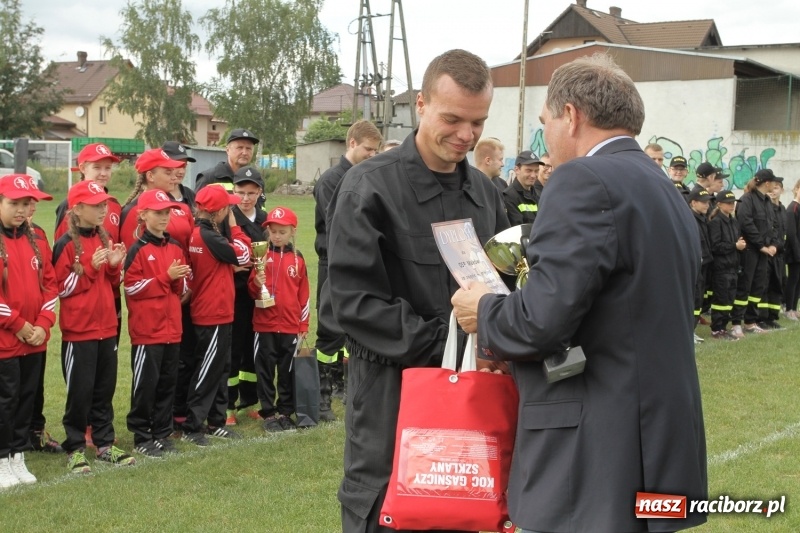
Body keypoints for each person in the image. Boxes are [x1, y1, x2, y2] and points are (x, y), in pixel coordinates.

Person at [451, 53, 707, 533]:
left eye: (545, 122)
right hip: (658, 438)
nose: (545, 141)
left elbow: (541, 321)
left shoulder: (582, 179)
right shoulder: (663, 186)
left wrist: (483, 311)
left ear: (570, 115)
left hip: (597, 448)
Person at [325, 48, 509, 533]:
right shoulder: (369, 188)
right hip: (393, 396)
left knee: (470, 509)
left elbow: (504, 282)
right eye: (453, 119)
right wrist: (446, 347)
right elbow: (354, 304)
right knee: (392, 511)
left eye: (478, 122)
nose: (466, 135)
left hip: (477, 390)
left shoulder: (487, 194)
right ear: (421, 105)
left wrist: (498, 337)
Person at [52, 180, 134, 473]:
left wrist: (112, 266)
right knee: (80, 392)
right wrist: (89, 270)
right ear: (77, 209)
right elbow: (60, 288)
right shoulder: (64, 245)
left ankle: (105, 444)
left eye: (104, 204)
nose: (103, 209)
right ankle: (74, 447)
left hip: (106, 328)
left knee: (103, 390)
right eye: (96, 205)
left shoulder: (104, 238)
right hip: (79, 332)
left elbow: (111, 283)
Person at [313, 119, 382, 421]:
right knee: (329, 331)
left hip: (359, 263)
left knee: (351, 328)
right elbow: (339, 228)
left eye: (376, 150)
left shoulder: (364, 177)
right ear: (352, 143)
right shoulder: (331, 180)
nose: (372, 154)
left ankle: (342, 385)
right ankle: (322, 395)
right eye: (368, 148)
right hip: (334, 263)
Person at [123, 189, 191, 458]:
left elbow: (178, 289)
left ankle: (162, 432)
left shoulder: (175, 247)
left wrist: (177, 279)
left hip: (172, 329)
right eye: (158, 213)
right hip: (147, 331)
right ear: (143, 215)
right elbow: (132, 288)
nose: (164, 218)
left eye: (167, 213)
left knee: (166, 384)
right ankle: (142, 435)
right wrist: (165, 277)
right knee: (146, 385)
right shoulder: (137, 250)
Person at [181, 185, 250, 446]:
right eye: (228, 208)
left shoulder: (203, 232)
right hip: (211, 311)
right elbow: (243, 254)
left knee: (220, 368)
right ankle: (192, 426)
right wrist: (237, 227)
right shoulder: (208, 236)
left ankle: (215, 421)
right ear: (219, 211)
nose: (231, 211)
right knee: (208, 370)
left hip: (217, 310)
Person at [0, 174, 56, 488]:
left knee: (25, 398)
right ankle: (2, 458)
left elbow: (51, 286)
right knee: (5, 401)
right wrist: (19, 325)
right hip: (6, 339)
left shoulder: (37, 238)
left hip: (34, 340)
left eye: (26, 203)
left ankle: (18, 456)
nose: (21, 210)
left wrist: (43, 325)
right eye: (13, 203)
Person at [250, 207, 309, 432]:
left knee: (287, 371)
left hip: (290, 326)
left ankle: (285, 411)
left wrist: (302, 325)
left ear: (292, 232)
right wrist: (256, 282)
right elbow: (251, 290)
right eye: (273, 231)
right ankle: (269, 413)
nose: (276, 236)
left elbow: (304, 294)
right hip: (265, 325)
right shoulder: (262, 255)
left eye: (282, 232)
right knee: (265, 370)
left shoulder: (298, 260)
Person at [228, 166, 267, 423]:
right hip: (234, 294)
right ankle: (227, 405)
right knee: (233, 349)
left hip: (260, 294)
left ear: (259, 193)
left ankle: (250, 400)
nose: (245, 198)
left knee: (255, 349)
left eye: (251, 193)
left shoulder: (265, 219)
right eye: (240, 192)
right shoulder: (227, 218)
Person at [731, 169, 780, 336]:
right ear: (767, 183)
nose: (775, 185)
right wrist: (761, 245)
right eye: (774, 182)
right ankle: (736, 322)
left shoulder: (767, 201)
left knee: (758, 286)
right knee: (744, 286)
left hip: (764, 251)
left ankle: (750, 321)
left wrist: (773, 244)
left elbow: (773, 225)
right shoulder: (747, 200)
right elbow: (746, 225)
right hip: (750, 251)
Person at [120, 148, 195, 251]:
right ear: (150, 176)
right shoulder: (133, 211)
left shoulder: (182, 208)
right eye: (168, 173)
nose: (174, 178)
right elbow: (132, 257)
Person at [54, 143, 122, 242]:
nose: (103, 173)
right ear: (83, 168)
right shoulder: (70, 204)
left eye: (108, 168)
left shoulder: (114, 204)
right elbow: (61, 248)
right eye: (97, 167)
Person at [195, 128, 265, 210]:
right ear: (227, 150)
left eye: (248, 148)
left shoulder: (256, 180)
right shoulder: (209, 178)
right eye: (240, 148)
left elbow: (261, 211)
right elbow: (197, 213)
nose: (244, 152)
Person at [708, 190, 746, 340]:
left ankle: (723, 327)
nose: (732, 205)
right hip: (721, 268)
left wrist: (740, 246)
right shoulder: (716, 222)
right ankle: (717, 329)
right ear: (719, 204)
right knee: (721, 300)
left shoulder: (733, 221)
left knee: (729, 299)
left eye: (733, 203)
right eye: (729, 203)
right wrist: (735, 246)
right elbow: (715, 246)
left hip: (733, 267)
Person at [758, 177, 786, 330]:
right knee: (764, 285)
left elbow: (782, 232)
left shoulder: (782, 209)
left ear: (781, 190)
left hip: (779, 252)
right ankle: (762, 317)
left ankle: (772, 317)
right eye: (772, 188)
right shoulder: (766, 207)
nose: (773, 192)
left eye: (777, 188)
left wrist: (778, 246)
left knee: (777, 285)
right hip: (767, 252)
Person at [688, 188, 713, 343]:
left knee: (698, 299)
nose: (707, 205)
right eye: (703, 202)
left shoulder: (703, 218)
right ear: (693, 202)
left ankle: (692, 330)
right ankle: (687, 332)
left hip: (704, 264)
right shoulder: (690, 218)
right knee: (693, 298)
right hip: (695, 265)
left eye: (708, 202)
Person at [503, 150, 544, 225]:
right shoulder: (509, 197)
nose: (533, 175)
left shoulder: (539, 194)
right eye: (529, 170)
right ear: (517, 170)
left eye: (536, 171)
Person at [161, 140, 197, 209]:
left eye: (184, 166)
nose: (182, 171)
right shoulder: (157, 196)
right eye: (177, 165)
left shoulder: (190, 194)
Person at [784, 179, 800, 320]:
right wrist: (797, 253)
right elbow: (791, 234)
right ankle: (788, 308)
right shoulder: (792, 208)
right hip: (794, 252)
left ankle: (795, 308)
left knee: (798, 280)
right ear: (796, 189)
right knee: (793, 279)